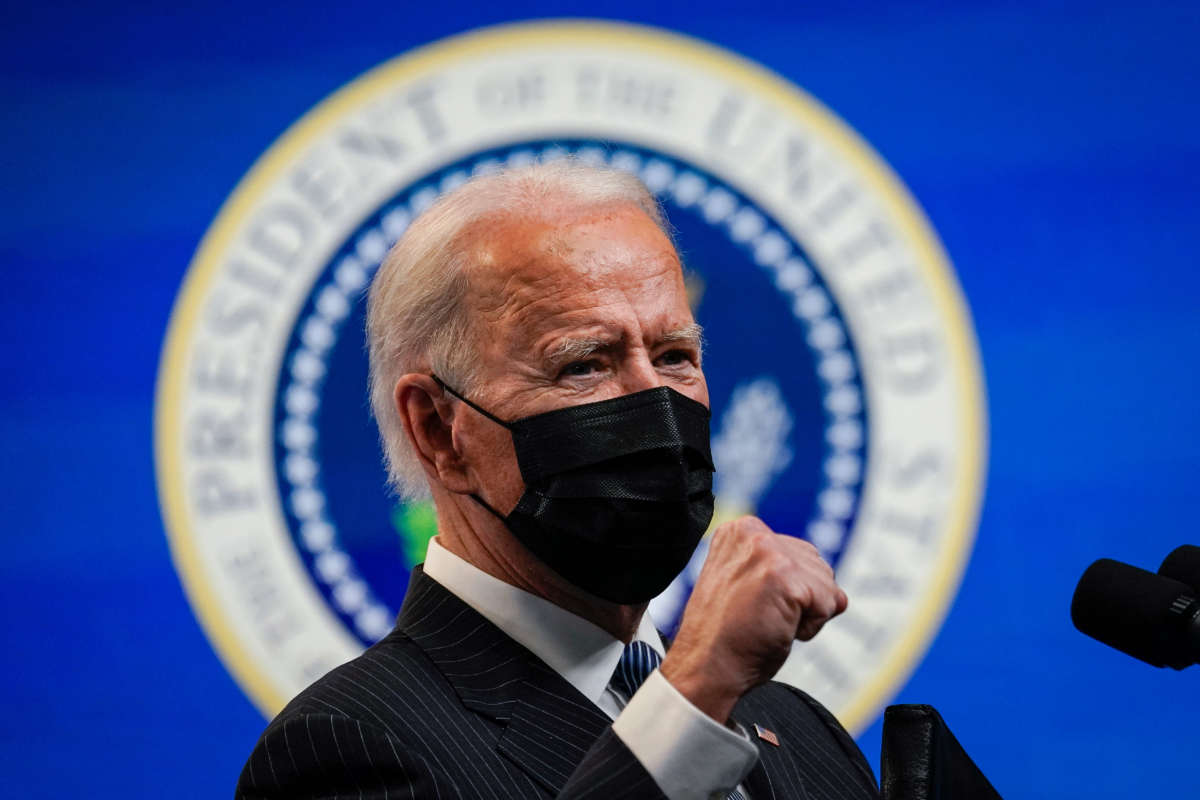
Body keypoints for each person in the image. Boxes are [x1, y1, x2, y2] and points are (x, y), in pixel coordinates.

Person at [236, 160, 880, 799]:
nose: (656, 406)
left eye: (675, 356)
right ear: (438, 429)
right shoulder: (347, 750)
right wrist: (693, 697)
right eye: (584, 365)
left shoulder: (801, 732)